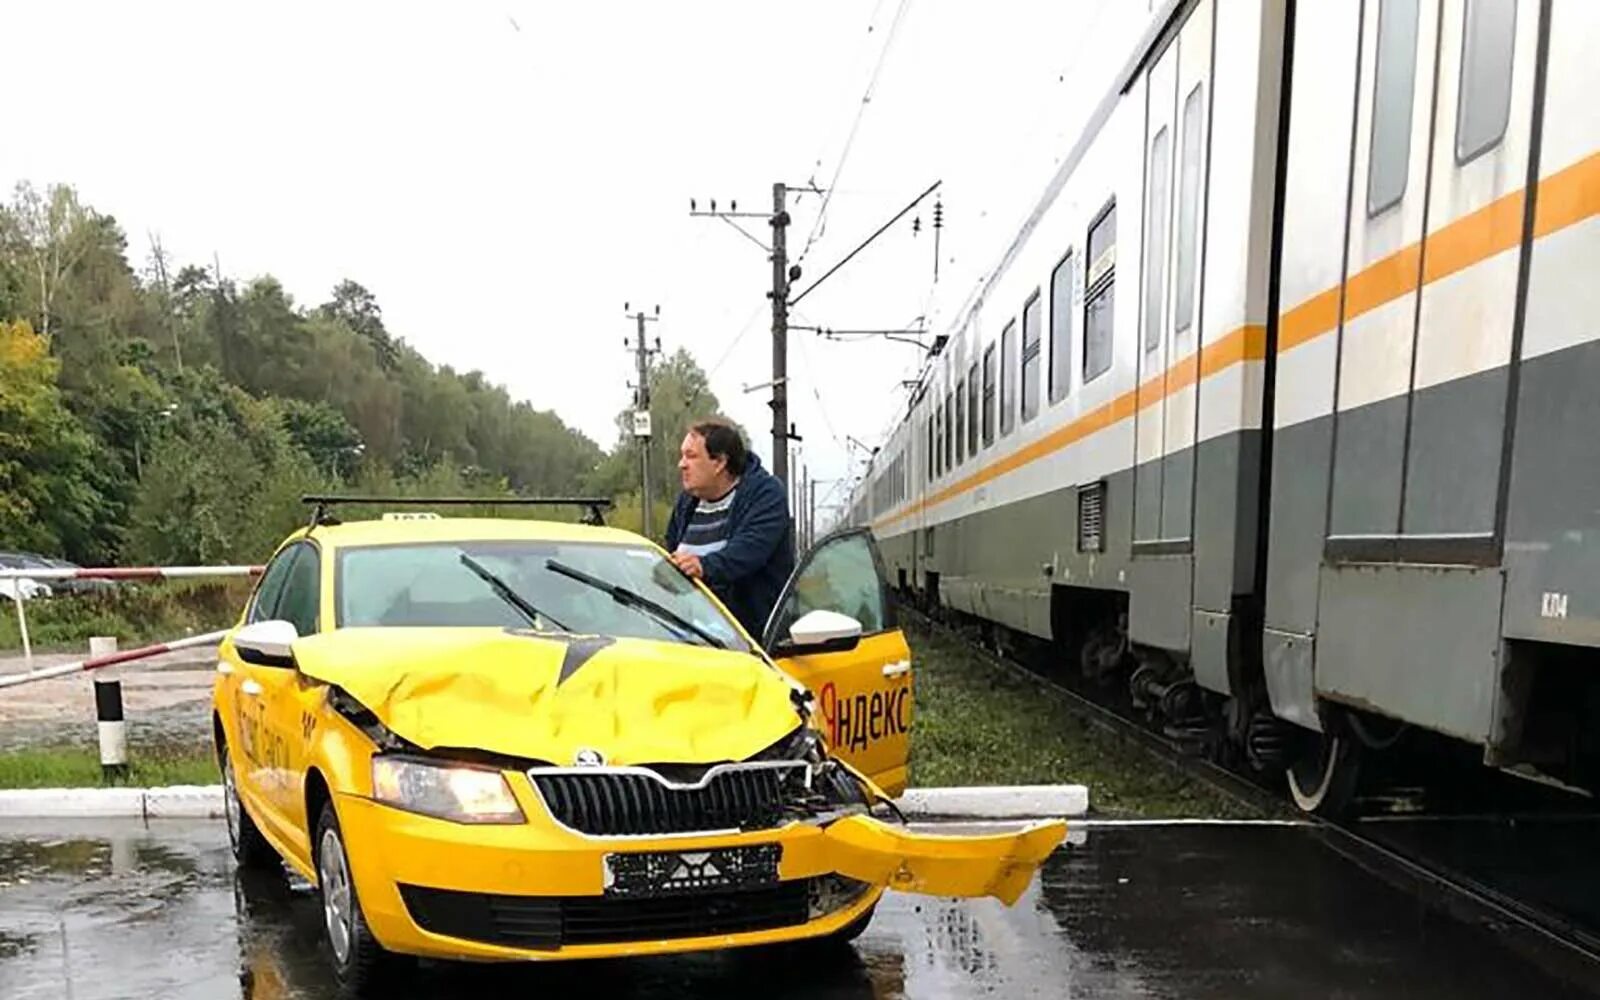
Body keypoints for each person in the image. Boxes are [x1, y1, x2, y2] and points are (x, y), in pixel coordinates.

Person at [664, 419, 794, 638]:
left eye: (691, 456)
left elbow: (747, 552)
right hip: (689, 639)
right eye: (682, 455)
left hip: (749, 643)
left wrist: (703, 566)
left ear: (719, 463)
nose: (682, 464)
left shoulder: (765, 494)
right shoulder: (688, 501)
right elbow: (671, 549)